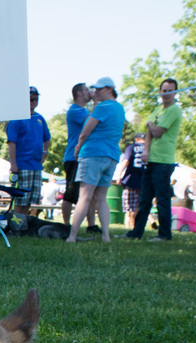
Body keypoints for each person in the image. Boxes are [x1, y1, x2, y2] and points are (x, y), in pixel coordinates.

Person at [67, 77, 125, 243]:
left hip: (93, 153)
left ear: (110, 89)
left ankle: (72, 236)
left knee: (84, 196)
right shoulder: (119, 108)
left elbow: (86, 131)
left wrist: (77, 148)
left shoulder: (103, 107)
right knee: (101, 198)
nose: (96, 92)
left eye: (99, 89)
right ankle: (106, 236)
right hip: (112, 155)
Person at [126, 78, 183, 241]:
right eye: (164, 91)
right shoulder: (158, 110)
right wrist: (145, 151)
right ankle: (136, 232)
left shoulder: (174, 110)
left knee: (162, 199)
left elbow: (157, 131)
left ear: (175, 92)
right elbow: (149, 132)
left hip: (164, 162)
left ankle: (165, 234)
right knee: (144, 200)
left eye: (170, 90)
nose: (167, 94)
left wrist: (150, 125)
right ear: (160, 92)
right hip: (151, 160)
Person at [6, 86, 51, 216]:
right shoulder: (16, 118)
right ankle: (17, 225)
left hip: (36, 166)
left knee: (30, 199)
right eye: (31, 99)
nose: (34, 102)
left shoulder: (40, 118)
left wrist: (45, 153)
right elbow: (11, 142)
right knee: (20, 199)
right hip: (22, 165)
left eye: (36, 99)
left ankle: (23, 224)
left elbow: (47, 138)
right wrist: (13, 164)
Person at [62, 83, 97, 232]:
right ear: (79, 94)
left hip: (84, 156)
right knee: (71, 193)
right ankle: (65, 225)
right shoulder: (75, 110)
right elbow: (92, 123)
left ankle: (91, 225)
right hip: (73, 157)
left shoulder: (82, 110)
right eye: (87, 90)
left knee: (89, 192)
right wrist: (97, 103)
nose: (90, 92)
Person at [115, 133, 146, 229]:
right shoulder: (150, 148)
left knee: (130, 206)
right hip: (145, 180)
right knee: (140, 206)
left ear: (136, 139)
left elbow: (126, 161)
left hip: (131, 179)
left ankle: (132, 227)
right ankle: (134, 227)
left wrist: (119, 175)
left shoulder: (131, 147)